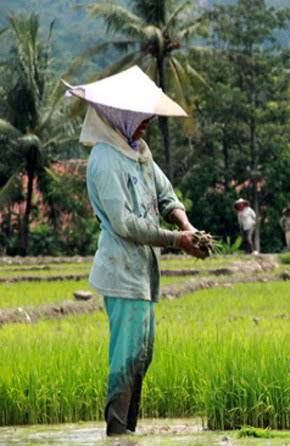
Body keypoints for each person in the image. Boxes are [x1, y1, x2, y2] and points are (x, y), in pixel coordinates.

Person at [65, 66, 206, 436]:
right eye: (140, 117)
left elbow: (166, 195)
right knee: (126, 357)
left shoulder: (139, 151)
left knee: (143, 356)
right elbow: (125, 224)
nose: (145, 123)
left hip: (143, 273)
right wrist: (178, 241)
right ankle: (116, 432)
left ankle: (129, 432)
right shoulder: (104, 160)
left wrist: (187, 226)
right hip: (121, 271)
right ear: (118, 115)